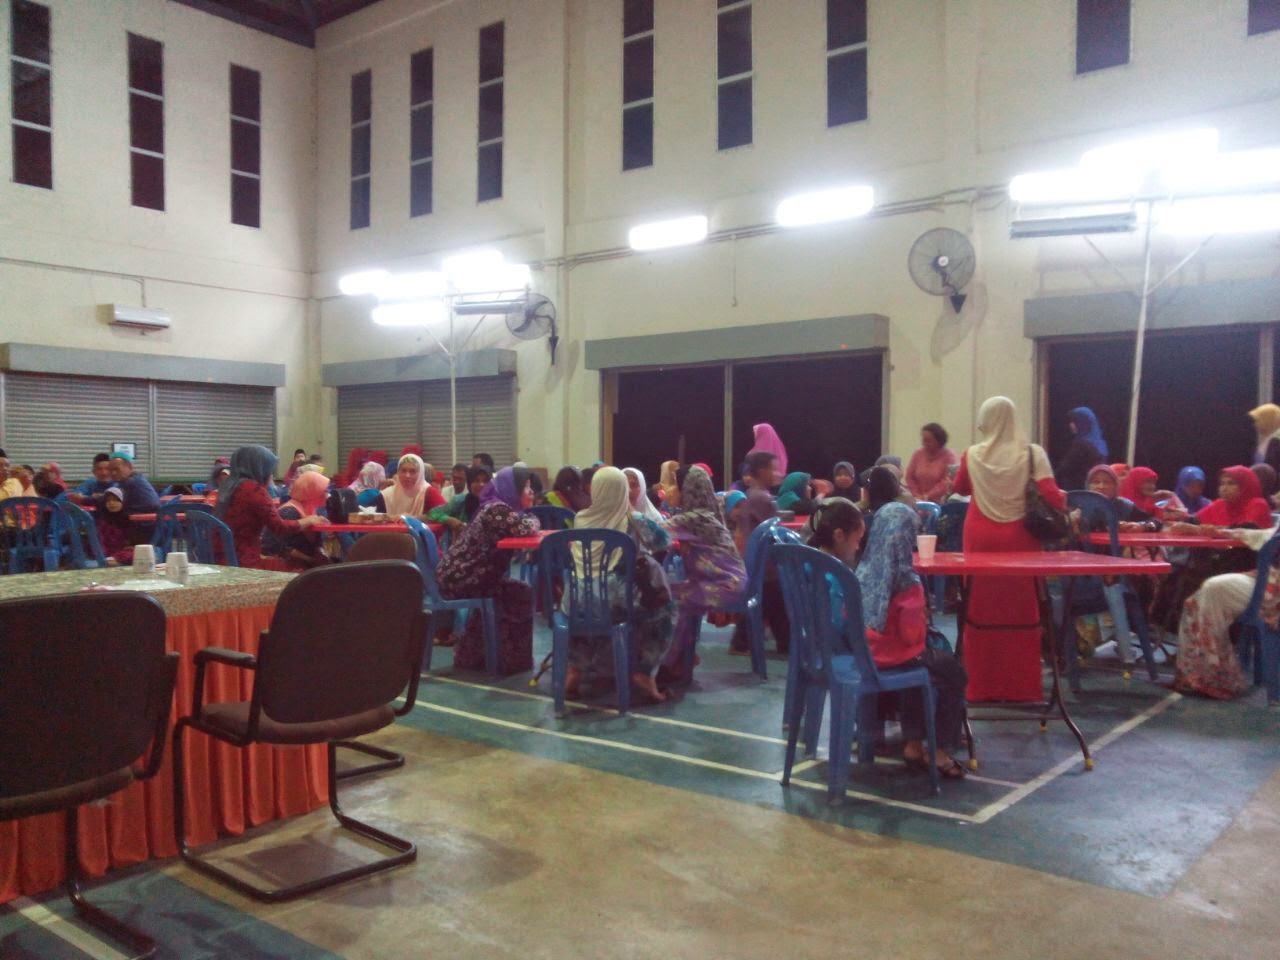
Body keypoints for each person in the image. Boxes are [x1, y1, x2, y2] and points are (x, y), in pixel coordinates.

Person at [811, 498, 968, 779]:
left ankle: (912, 744)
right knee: (951, 672)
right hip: (896, 657)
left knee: (922, 668)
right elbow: (910, 636)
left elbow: (850, 615)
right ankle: (940, 750)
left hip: (864, 654)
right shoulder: (906, 579)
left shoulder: (861, 571)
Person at [952, 396, 1067, 702]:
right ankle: (1021, 687)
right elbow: (1051, 496)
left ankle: (980, 686)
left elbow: (960, 488)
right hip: (1022, 538)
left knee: (979, 610)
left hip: (979, 537)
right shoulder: (1032, 453)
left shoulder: (971, 454)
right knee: (1022, 610)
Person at [565, 466, 675, 703]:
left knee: (586, 613)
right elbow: (663, 542)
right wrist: (632, 510)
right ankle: (644, 672)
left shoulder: (581, 517)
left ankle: (575, 670)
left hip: (575, 601)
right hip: (614, 603)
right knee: (663, 611)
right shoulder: (631, 519)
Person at [437, 466, 540, 674]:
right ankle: (507, 660)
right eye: (525, 487)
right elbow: (526, 527)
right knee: (520, 593)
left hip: (469, 576)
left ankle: (473, 656)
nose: (531, 492)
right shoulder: (497, 510)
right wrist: (534, 519)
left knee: (510, 591)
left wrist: (530, 518)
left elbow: (524, 524)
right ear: (512, 489)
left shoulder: (500, 508)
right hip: (461, 579)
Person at [656, 466, 747, 685]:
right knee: (670, 594)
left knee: (671, 600)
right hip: (729, 582)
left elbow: (654, 532)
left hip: (725, 586)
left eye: (675, 485)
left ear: (688, 490)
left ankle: (665, 667)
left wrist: (630, 513)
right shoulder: (707, 513)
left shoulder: (693, 519)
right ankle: (680, 660)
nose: (670, 490)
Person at [1173, 524, 1277, 700]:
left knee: (1213, 589)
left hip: (1274, 589)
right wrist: (1218, 532)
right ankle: (1203, 674)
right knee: (1204, 595)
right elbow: (1268, 536)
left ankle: (1213, 677)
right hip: (1266, 580)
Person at [217, 445, 325, 571]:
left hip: (219, 557)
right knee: (300, 570)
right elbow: (279, 527)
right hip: (242, 561)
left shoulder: (227, 486)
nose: (270, 475)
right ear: (260, 469)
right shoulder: (254, 490)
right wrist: (309, 520)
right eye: (269, 470)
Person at [728, 486, 790, 656]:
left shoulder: (755, 496)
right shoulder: (760, 498)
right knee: (769, 598)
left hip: (761, 562)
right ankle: (784, 643)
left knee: (771, 600)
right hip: (763, 561)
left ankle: (786, 643)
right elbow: (770, 529)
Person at [262, 469, 331, 569]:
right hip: (286, 570)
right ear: (310, 491)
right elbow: (274, 547)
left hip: (305, 567)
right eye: (323, 491)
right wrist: (311, 560)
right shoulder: (289, 512)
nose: (327, 495)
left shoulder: (309, 510)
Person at [1055, 406, 1108, 490]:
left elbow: (1064, 469)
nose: (1071, 425)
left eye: (1074, 421)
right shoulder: (1100, 444)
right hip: (1093, 491)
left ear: (1083, 422)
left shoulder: (1082, 445)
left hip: (1079, 492)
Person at [905, 423, 959, 502]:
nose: (924, 443)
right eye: (923, 440)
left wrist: (928, 496)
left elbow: (946, 481)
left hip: (940, 501)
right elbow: (909, 477)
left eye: (929, 441)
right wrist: (916, 495)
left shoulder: (949, 456)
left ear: (939, 441)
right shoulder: (918, 453)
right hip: (916, 499)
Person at [428, 465, 490, 533]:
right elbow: (433, 513)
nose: (481, 484)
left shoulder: (496, 505)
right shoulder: (460, 501)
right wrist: (449, 520)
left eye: (485, 481)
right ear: (469, 482)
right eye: (476, 480)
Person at [381, 453, 445, 517]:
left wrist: (415, 518)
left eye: (413, 471)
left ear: (420, 474)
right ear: (398, 472)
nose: (407, 476)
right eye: (403, 471)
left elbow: (445, 515)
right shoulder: (386, 495)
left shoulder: (429, 492)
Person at [94, 486, 138, 565]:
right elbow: (100, 541)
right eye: (108, 500)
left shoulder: (129, 519)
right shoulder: (103, 520)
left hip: (122, 552)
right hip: (105, 552)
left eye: (116, 500)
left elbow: (132, 543)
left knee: (138, 552)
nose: (111, 503)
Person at [1249, 403, 1280, 473]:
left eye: (1258, 420)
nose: (1255, 424)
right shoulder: (1266, 439)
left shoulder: (1276, 440)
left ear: (1267, 420)